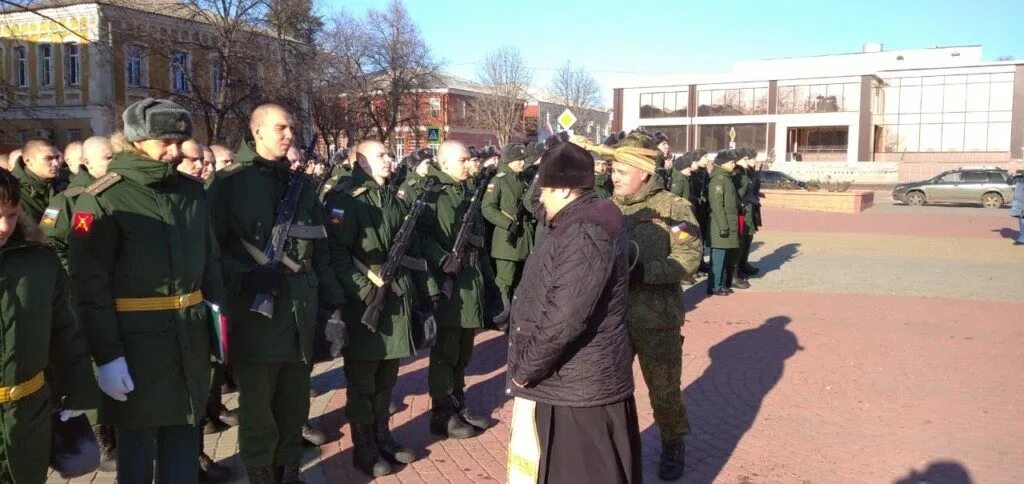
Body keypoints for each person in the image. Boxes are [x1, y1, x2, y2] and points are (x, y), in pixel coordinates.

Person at [69, 98, 228, 484]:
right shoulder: (103, 198)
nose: (175, 152)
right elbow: (89, 287)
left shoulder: (192, 193)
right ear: (137, 141)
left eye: (180, 141)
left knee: (185, 438)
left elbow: (210, 262)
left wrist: (218, 328)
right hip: (135, 345)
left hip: (189, 338)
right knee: (137, 449)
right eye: (165, 142)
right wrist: (107, 357)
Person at [207, 103, 344, 484]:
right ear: (257, 132)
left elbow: (321, 249)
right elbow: (208, 249)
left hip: (300, 311)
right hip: (256, 317)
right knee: (258, 412)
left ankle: (290, 473)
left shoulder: (300, 185)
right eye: (281, 128)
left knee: (294, 405)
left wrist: (333, 305)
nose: (289, 135)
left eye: (292, 129)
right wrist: (243, 276)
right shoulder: (229, 184)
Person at [506, 141, 640, 484]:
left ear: (565, 189)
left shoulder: (584, 232)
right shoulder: (581, 214)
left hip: (576, 389)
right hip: (575, 382)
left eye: (546, 190)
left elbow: (564, 319)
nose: (541, 199)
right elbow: (536, 205)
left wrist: (525, 369)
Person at [325, 140, 437, 477]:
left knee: (386, 380)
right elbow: (337, 255)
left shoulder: (393, 198)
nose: (390, 160)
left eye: (391, 155)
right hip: (366, 305)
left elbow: (411, 249)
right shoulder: (345, 200)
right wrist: (363, 291)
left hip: (395, 300)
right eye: (382, 155)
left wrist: (426, 292)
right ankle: (364, 447)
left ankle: (382, 435)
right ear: (361, 162)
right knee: (363, 382)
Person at [597, 132, 701, 481]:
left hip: (658, 321)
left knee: (665, 391)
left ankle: (673, 442)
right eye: (613, 169)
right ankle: (613, 446)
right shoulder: (604, 208)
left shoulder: (675, 208)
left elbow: (689, 257)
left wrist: (646, 272)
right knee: (608, 389)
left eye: (622, 170)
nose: (614, 176)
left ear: (643, 170)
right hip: (613, 319)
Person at [0, 168, 99, 484]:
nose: (4, 226)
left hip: (29, 415)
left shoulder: (40, 263)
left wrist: (78, 394)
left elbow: (65, 331)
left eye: (12, 214)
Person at [419, 140, 496, 439]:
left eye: (470, 159)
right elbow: (419, 237)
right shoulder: (433, 195)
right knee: (445, 354)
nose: (469, 164)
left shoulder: (467, 192)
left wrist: (489, 283)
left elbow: (479, 244)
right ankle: (441, 413)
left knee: (463, 352)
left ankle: (457, 403)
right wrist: (442, 259)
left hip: (470, 283)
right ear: (446, 163)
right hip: (449, 286)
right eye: (463, 159)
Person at [40, 136, 112, 270]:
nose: (114, 162)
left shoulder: (119, 193)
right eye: (108, 157)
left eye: (117, 157)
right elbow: (49, 243)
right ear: (87, 162)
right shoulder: (63, 201)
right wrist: (75, 278)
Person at [481, 143, 535, 301]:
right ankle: (502, 316)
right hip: (506, 241)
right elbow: (487, 208)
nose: (522, 163)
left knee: (521, 282)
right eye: (519, 160)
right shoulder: (499, 181)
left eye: (523, 159)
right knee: (504, 283)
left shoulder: (522, 180)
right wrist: (507, 224)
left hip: (524, 238)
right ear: (509, 161)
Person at [708, 149, 741, 295]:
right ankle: (715, 285)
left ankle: (719, 284)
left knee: (724, 256)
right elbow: (717, 205)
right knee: (718, 258)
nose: (734, 164)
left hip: (728, 224)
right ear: (723, 163)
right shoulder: (719, 179)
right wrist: (723, 226)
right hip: (721, 225)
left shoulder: (727, 178)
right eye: (732, 162)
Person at [13, 138, 63, 221]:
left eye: (57, 157)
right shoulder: (12, 189)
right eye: (48, 158)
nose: (56, 163)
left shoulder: (63, 182)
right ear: (28, 161)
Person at [1012, 170, 1024, 245]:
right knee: (1021, 220)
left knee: (1023, 221)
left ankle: (1022, 239)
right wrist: (1012, 175)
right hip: (1018, 202)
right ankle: (1022, 238)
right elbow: (1008, 182)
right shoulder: (1018, 178)